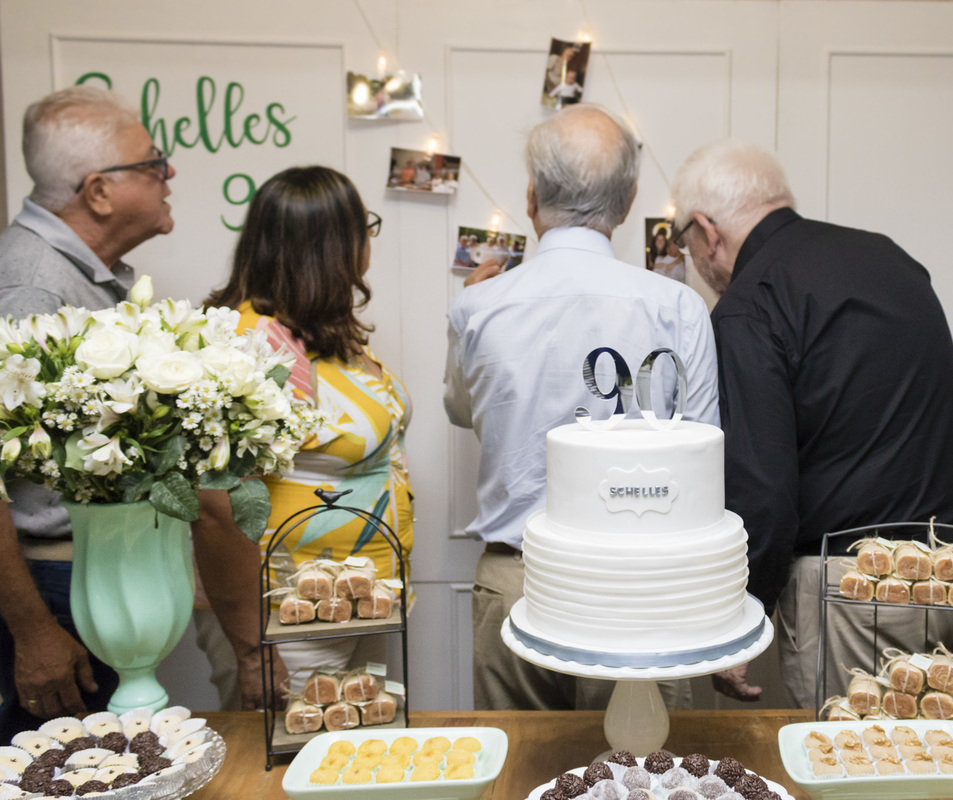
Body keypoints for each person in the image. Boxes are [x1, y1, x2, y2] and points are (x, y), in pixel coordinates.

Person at [671, 139, 953, 708]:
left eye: (685, 240)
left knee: (857, 777)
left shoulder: (751, 302)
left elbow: (763, 488)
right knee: (946, 769)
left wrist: (744, 611)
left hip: (865, 587)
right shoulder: (887, 255)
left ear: (707, 230)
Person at [444, 103, 720, 711]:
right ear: (626, 204)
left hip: (518, 580)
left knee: (520, 776)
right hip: (642, 586)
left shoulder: (477, 309)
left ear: (531, 198)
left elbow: (462, 412)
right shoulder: (679, 308)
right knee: (645, 777)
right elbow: (704, 458)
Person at [197, 166, 414, 705]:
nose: (368, 243)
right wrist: (253, 647)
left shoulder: (320, 330)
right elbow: (215, 504)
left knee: (347, 769)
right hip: (289, 613)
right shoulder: (251, 344)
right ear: (331, 246)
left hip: (353, 601)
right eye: (363, 227)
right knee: (285, 778)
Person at [0, 86, 175, 737]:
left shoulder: (84, 278)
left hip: (96, 579)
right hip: (50, 592)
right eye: (154, 162)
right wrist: (33, 632)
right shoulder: (31, 289)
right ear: (99, 191)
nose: (169, 174)